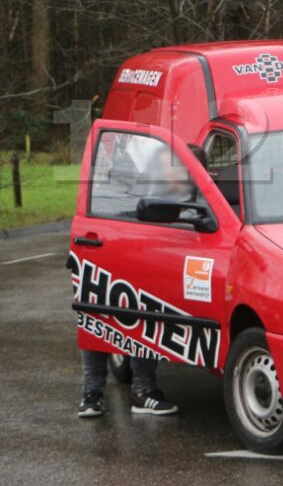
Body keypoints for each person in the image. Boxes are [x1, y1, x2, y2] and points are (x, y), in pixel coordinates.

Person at [77, 144, 197, 418]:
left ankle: (140, 391)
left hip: (136, 249)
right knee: (95, 312)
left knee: (144, 314)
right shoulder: (126, 166)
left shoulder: (159, 171)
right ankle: (92, 393)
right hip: (105, 241)